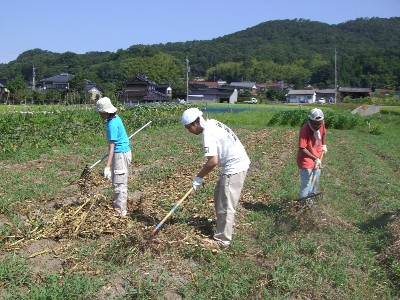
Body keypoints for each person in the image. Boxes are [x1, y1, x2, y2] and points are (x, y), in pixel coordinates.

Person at [181, 107, 250, 249]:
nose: (189, 131)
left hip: (234, 167)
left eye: (189, 128)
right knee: (219, 194)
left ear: (195, 123)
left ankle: (222, 241)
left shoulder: (208, 133)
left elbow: (213, 161)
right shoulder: (212, 122)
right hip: (234, 164)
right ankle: (225, 224)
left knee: (226, 204)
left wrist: (198, 177)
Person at [96, 97, 132, 217]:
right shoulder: (116, 118)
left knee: (119, 183)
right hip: (122, 152)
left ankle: (121, 212)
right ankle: (120, 208)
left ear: (105, 112)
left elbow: (112, 147)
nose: (100, 114)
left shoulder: (112, 124)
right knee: (119, 181)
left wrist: (107, 167)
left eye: (100, 112)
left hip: (120, 155)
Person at [297, 108, 327, 204]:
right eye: (315, 123)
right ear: (310, 120)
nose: (317, 126)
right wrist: (315, 158)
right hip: (305, 158)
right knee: (307, 183)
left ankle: (310, 201)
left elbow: (323, 134)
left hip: (317, 155)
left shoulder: (321, 123)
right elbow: (302, 148)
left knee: (315, 181)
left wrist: (323, 145)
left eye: (319, 123)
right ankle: (302, 203)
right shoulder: (305, 129)